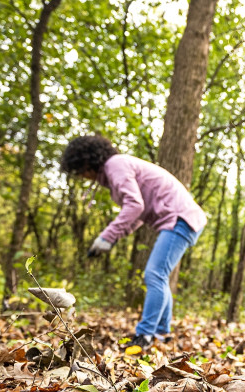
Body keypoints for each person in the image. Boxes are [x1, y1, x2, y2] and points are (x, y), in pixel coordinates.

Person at [59, 136, 207, 349]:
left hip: (180, 219)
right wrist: (112, 238)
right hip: (183, 219)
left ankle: (145, 336)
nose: (83, 176)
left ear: (86, 161)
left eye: (80, 170)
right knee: (160, 276)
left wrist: (106, 237)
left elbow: (134, 206)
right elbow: (139, 215)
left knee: (154, 275)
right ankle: (162, 334)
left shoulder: (115, 164)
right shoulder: (116, 170)